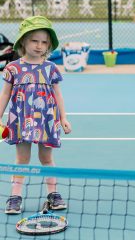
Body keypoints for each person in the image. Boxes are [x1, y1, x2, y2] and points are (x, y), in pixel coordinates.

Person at [0, 16, 72, 214]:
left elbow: (58, 94)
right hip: (20, 121)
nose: (39, 46)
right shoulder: (12, 68)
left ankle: (53, 195)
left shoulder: (51, 68)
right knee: (21, 159)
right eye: (34, 40)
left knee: (46, 159)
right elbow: (5, 94)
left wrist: (63, 117)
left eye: (44, 42)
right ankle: (15, 197)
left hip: (47, 121)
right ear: (23, 40)